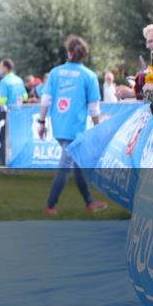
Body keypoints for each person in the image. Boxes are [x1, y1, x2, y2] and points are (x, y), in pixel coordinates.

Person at [38, 36, 107, 215]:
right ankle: (50, 205)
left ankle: (90, 202)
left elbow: (46, 100)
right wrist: (98, 129)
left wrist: (41, 122)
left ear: (69, 53)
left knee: (77, 165)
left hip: (59, 127)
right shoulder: (89, 76)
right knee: (66, 166)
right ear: (84, 55)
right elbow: (94, 108)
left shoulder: (55, 73)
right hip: (75, 129)